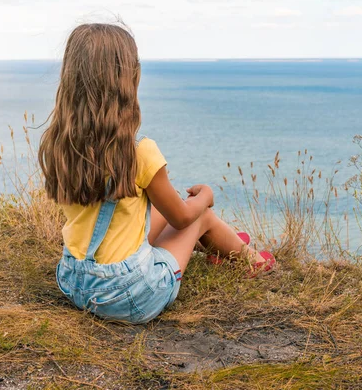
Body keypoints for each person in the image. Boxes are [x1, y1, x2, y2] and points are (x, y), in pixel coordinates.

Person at [38, 23, 275, 324]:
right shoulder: (139, 152)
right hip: (129, 295)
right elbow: (182, 218)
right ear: (127, 81)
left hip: (75, 281)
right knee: (198, 216)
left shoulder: (60, 142)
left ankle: (221, 244)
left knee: (164, 201)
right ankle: (249, 259)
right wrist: (205, 198)